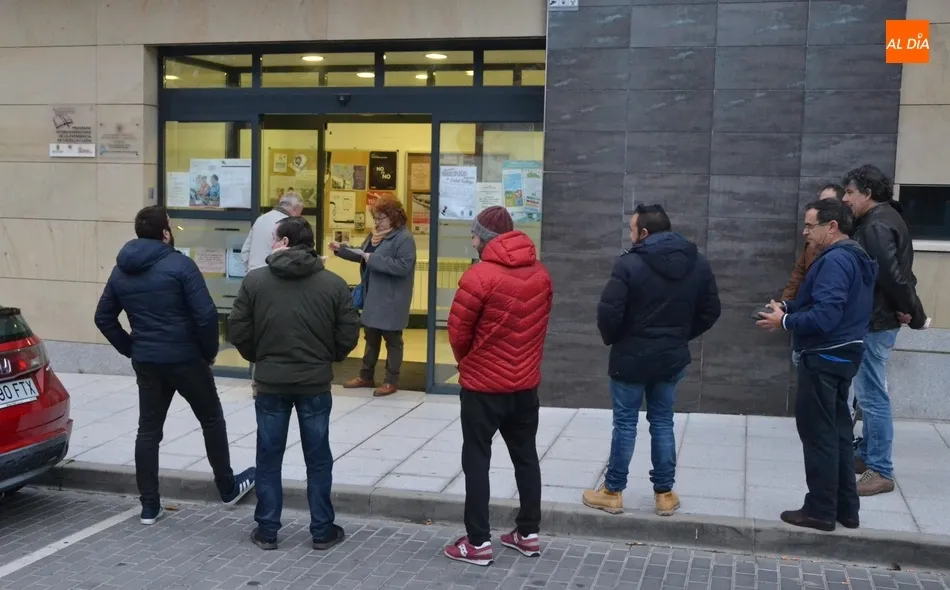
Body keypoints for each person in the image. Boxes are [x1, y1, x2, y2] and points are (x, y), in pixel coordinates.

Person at [94, 206, 256, 526]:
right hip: (186, 359)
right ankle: (227, 488)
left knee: (148, 431)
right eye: (170, 226)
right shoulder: (180, 265)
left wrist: (132, 349)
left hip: (148, 361)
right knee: (211, 419)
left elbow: (103, 318)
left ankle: (149, 506)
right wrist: (209, 353)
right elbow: (206, 315)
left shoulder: (121, 270)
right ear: (165, 233)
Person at [228, 217, 360, 551]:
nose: (272, 243)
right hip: (314, 383)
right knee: (318, 458)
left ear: (285, 242)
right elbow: (348, 332)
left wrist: (260, 357)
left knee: (268, 457)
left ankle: (267, 529)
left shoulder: (256, 281)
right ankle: (322, 530)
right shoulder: (332, 284)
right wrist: (328, 357)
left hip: (271, 382)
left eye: (274, 238)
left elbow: (238, 329)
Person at [582, 204, 720, 517]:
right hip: (670, 358)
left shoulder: (629, 264)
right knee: (662, 421)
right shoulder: (697, 262)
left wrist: (616, 338)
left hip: (630, 357)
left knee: (625, 424)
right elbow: (711, 310)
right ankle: (665, 494)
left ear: (644, 233)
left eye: (632, 230)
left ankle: (612, 492)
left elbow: (609, 312)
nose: (630, 235)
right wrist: (680, 336)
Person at [756, 198, 876, 531]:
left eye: (810, 226)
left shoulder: (835, 261)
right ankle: (846, 509)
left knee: (819, 435)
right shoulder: (855, 256)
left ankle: (820, 510)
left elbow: (826, 315)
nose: (805, 232)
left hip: (824, 356)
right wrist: (788, 307)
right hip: (844, 354)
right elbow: (825, 302)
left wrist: (784, 321)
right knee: (838, 434)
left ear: (832, 226)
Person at [442, 206, 553, 567]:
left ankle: (477, 542)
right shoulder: (540, 274)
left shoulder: (479, 276)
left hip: (483, 388)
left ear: (483, 238)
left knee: (477, 460)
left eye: (473, 235)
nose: (472, 241)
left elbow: (458, 332)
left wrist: (468, 362)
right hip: (524, 386)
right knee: (526, 457)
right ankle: (528, 534)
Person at [841, 165, 929, 496]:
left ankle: (880, 469)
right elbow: (901, 275)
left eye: (850, 192)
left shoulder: (877, 225)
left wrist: (914, 313)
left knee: (872, 396)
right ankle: (866, 456)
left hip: (874, 322)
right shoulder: (885, 218)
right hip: (878, 319)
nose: (845, 198)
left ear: (868, 193)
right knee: (870, 393)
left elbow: (892, 277)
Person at [330, 198, 416, 397]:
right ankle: (366, 376)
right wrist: (341, 250)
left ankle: (390, 380)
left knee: (393, 340)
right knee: (371, 337)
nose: (377, 222)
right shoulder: (375, 236)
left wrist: (373, 259)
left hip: (392, 298)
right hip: (373, 295)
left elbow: (403, 266)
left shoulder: (404, 238)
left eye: (381, 218)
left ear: (393, 217)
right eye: (375, 218)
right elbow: (363, 254)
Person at [781, 183, 845, 302]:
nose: (805, 232)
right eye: (821, 203)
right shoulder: (812, 243)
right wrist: (784, 306)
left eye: (828, 203)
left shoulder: (842, 253)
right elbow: (797, 278)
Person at [241, 194, 304, 273]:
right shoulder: (290, 224)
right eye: (300, 211)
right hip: (273, 276)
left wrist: (249, 272)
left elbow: (245, 250)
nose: (300, 215)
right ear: (296, 208)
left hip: (253, 273)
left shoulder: (260, 219)